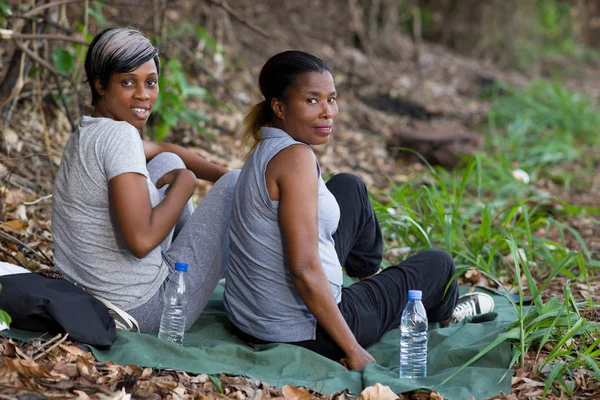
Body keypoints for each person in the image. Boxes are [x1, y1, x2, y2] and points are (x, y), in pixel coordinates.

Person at [223, 50, 494, 370]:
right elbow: (302, 270)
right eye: (312, 101)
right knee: (439, 265)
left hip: (251, 317)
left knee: (349, 186)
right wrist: (352, 348)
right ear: (279, 107)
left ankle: (371, 281)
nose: (328, 113)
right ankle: (447, 314)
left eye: (331, 99)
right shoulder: (295, 158)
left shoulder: (267, 147)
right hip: (301, 330)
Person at [52, 27, 239, 333]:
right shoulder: (120, 135)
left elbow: (165, 149)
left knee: (170, 162)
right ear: (100, 84)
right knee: (234, 187)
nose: (143, 94)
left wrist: (219, 174)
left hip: (91, 297)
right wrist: (187, 183)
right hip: (145, 309)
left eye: (150, 83)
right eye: (128, 82)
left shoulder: (90, 130)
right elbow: (140, 242)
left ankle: (192, 260)